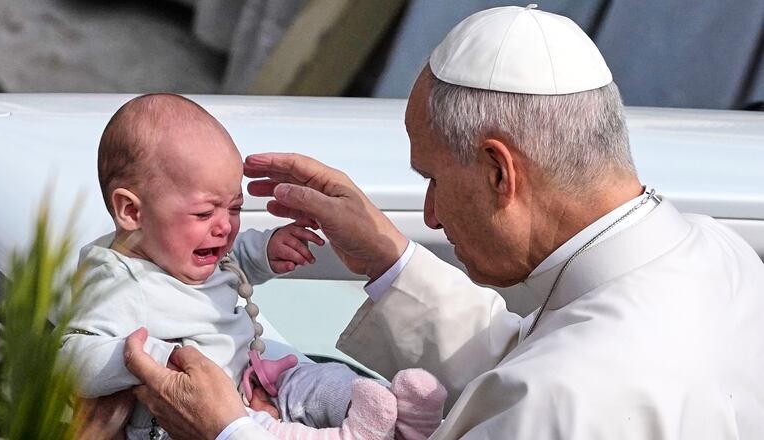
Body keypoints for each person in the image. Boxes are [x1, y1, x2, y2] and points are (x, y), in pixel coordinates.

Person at [122, 6, 764, 440]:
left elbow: (546, 380)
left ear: (497, 171)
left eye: (432, 178)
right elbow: (535, 351)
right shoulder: (718, 254)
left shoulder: (561, 402)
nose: (427, 213)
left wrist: (229, 430)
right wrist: (388, 261)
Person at [63, 93, 446, 440]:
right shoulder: (116, 279)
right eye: (204, 211)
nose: (224, 225)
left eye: (234, 208)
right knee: (263, 429)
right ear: (131, 211)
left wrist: (267, 249)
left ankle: (396, 415)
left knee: (319, 379)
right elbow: (70, 357)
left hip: (258, 370)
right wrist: (148, 359)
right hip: (203, 410)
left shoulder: (180, 249)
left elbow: (234, 259)